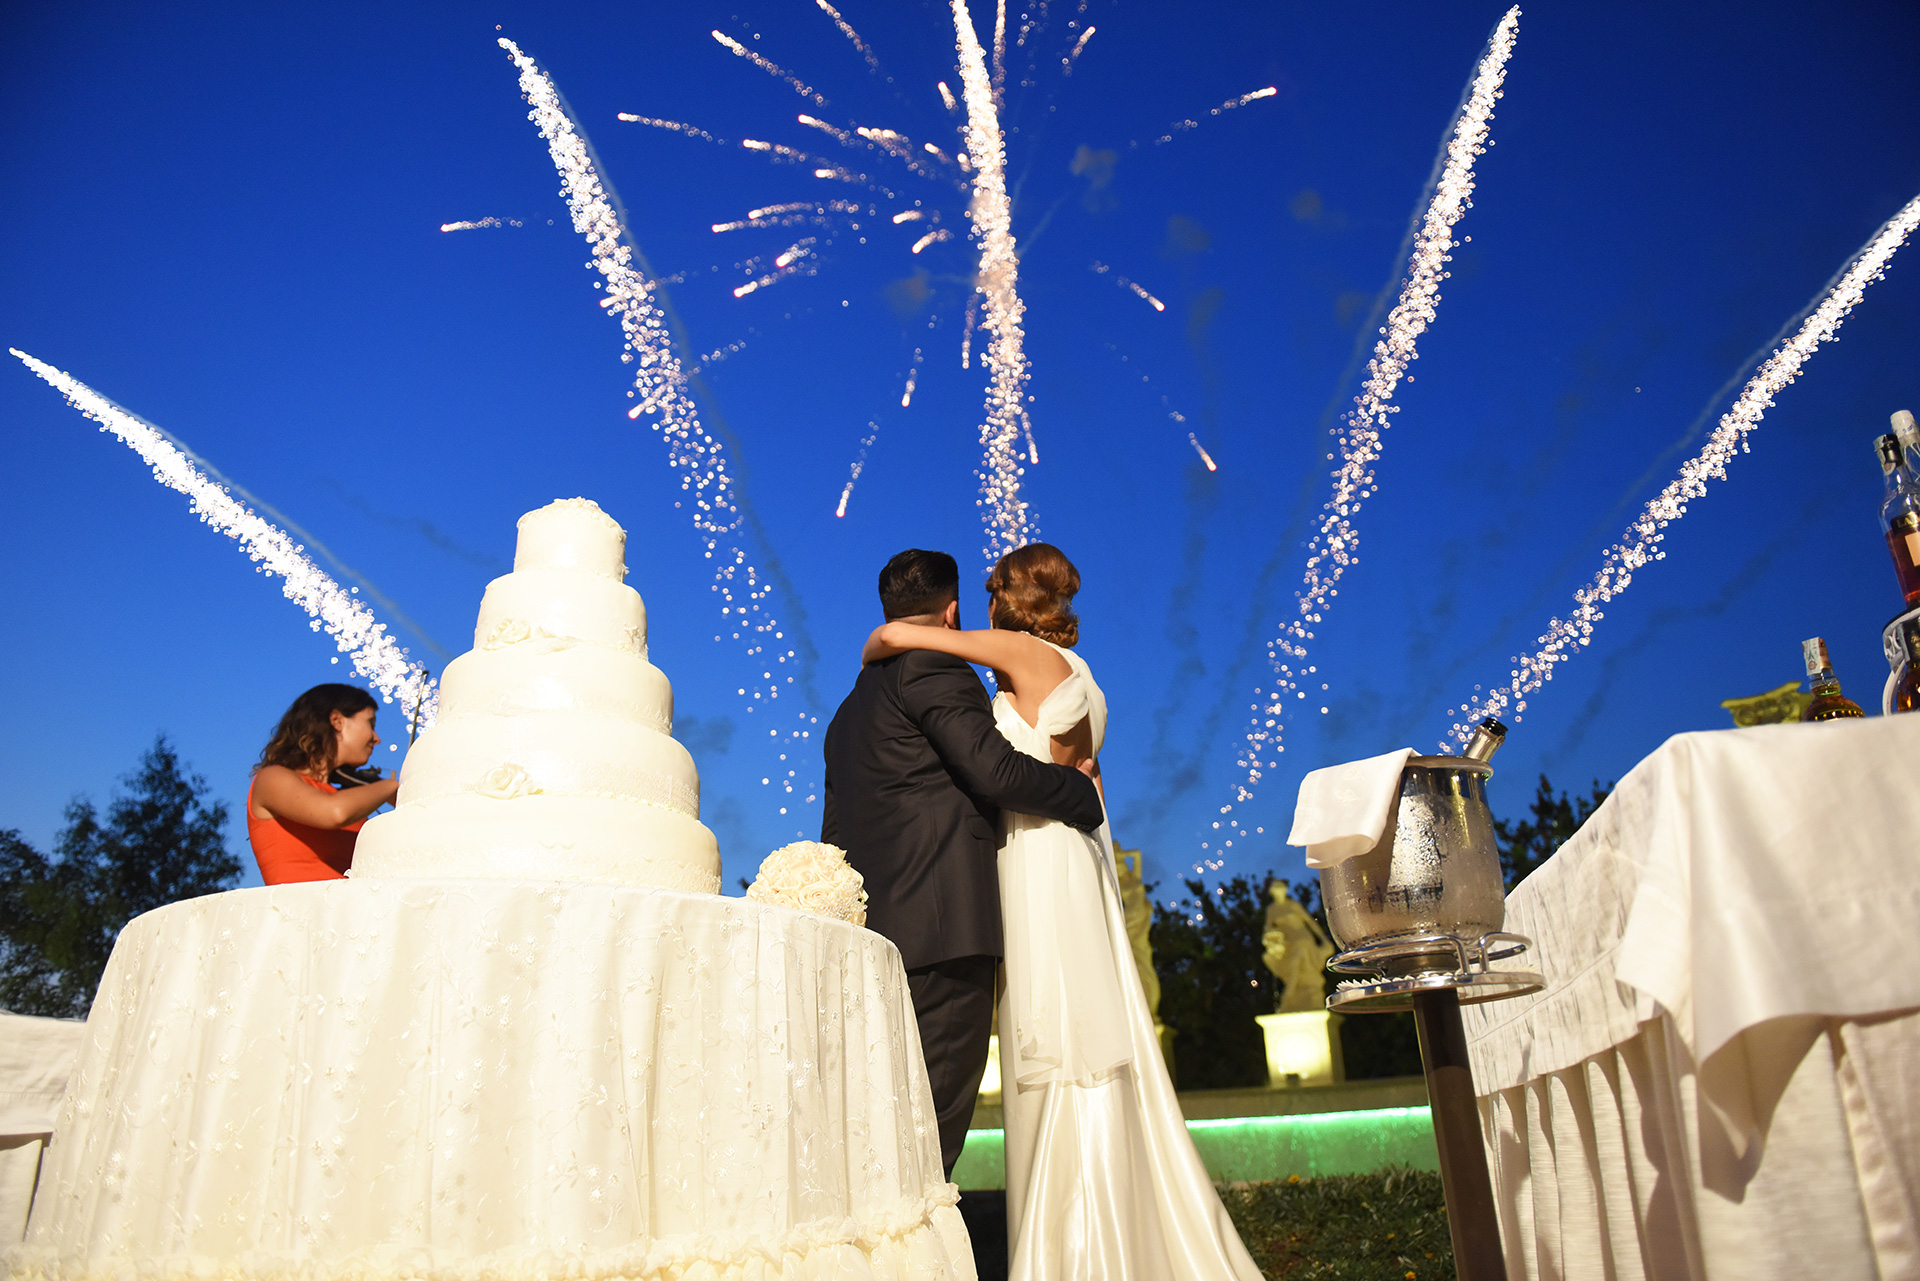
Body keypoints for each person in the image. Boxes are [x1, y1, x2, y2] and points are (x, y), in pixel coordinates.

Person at [860, 543, 1262, 1281]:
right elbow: (1094, 788)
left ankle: (1070, 1247)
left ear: (1005, 598)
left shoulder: (1016, 650)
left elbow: (903, 636)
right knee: (1083, 1022)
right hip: (1078, 858)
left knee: (1049, 1034)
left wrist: (879, 638)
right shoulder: (1082, 675)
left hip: (1036, 861)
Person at [821, 549, 1105, 1177]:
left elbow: (834, 840)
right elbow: (994, 770)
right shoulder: (933, 668)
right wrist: (1083, 794)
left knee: (886, 1122)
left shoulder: (843, 718)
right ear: (951, 611)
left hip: (877, 944)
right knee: (930, 1137)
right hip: (948, 935)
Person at [248, 683, 399, 885]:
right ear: (337, 721)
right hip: (302, 911)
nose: (376, 738)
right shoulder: (272, 778)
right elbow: (334, 812)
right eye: (370, 724)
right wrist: (390, 786)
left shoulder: (345, 796)